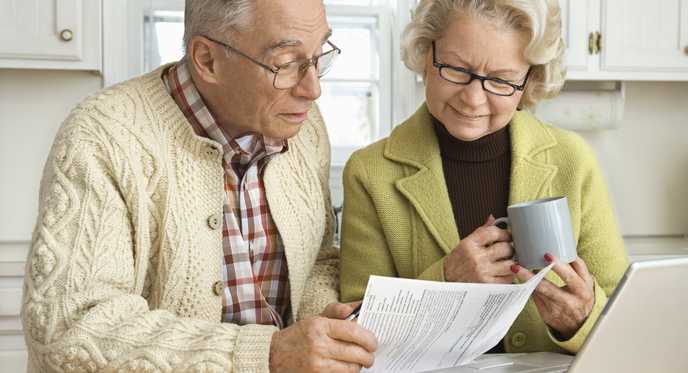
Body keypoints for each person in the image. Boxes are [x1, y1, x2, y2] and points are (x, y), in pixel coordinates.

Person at [21, 0, 377, 371]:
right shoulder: (101, 136)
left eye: (320, 55)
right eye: (286, 64)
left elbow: (317, 257)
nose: (313, 88)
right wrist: (267, 354)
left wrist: (322, 324)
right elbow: (69, 331)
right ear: (207, 59)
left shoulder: (304, 126)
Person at [339, 0, 629, 355]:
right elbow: (355, 328)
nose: (473, 99)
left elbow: (624, 317)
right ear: (426, 53)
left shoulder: (573, 159)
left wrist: (580, 321)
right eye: (457, 70)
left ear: (529, 80)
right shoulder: (369, 172)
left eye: (501, 81)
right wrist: (447, 279)